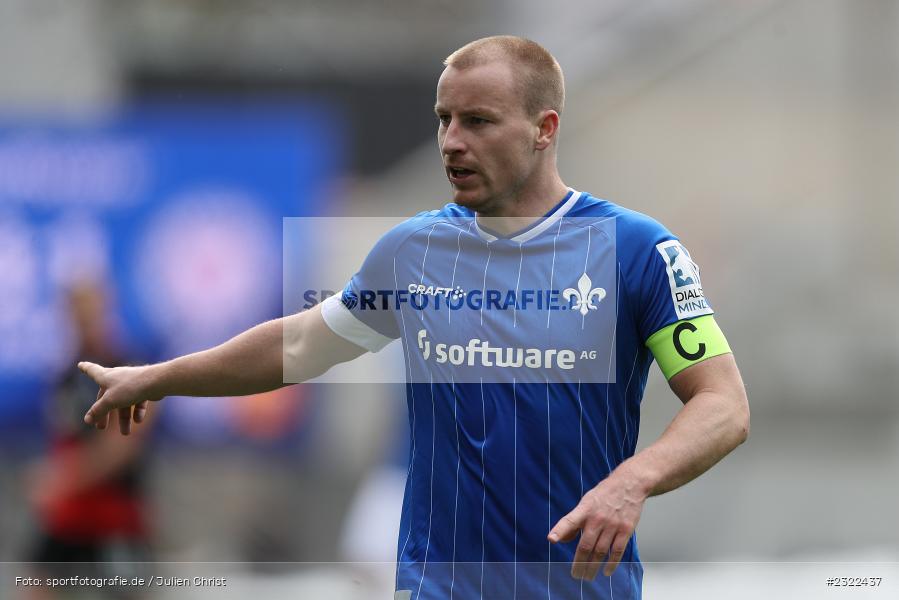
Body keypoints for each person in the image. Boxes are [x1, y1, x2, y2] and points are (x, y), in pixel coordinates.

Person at [78, 36, 749, 599]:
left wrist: (632, 481)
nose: (452, 142)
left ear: (544, 129)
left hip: (577, 586)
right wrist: (161, 376)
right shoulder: (414, 250)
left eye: (478, 122)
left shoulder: (634, 249)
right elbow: (302, 343)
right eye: (443, 119)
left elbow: (721, 404)